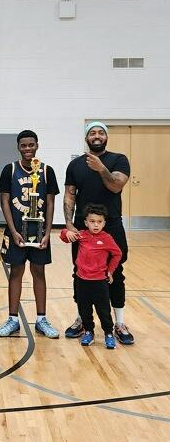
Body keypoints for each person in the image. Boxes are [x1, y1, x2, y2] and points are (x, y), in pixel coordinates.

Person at [63, 121, 133, 344]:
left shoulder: (118, 160)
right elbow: (69, 195)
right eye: (92, 132)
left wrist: (101, 168)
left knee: (115, 273)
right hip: (83, 227)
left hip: (111, 226)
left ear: (106, 137)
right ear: (86, 137)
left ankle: (119, 322)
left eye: (100, 132)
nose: (96, 136)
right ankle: (82, 319)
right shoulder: (75, 165)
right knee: (80, 273)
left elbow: (116, 186)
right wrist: (68, 223)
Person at [0, 130, 60, 339]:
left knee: (39, 273)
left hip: (39, 232)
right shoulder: (10, 169)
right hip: (16, 231)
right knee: (16, 273)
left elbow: (50, 203)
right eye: (23, 145)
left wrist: (48, 233)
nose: (27, 149)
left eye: (31, 145)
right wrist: (13, 231)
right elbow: (4, 201)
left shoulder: (47, 171)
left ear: (37, 145)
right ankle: (13, 319)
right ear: (18, 147)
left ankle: (41, 319)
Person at [60, 204, 122, 349]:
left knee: (103, 310)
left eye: (99, 222)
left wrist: (110, 271)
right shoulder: (82, 235)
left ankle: (108, 333)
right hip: (82, 281)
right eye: (92, 221)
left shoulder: (106, 238)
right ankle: (88, 331)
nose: (96, 225)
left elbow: (117, 254)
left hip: (99, 282)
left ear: (104, 223)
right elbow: (63, 236)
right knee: (84, 309)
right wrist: (66, 232)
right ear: (86, 222)